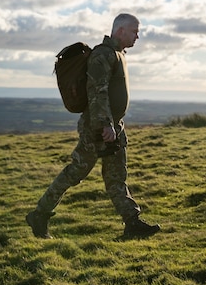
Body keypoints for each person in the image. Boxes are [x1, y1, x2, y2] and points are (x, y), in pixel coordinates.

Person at [26, 13, 160, 239]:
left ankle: (132, 223)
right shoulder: (102, 55)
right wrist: (104, 126)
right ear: (120, 31)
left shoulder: (119, 54)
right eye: (135, 31)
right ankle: (39, 214)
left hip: (113, 126)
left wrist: (114, 126)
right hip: (97, 128)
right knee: (75, 172)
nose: (138, 36)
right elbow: (97, 92)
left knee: (116, 176)